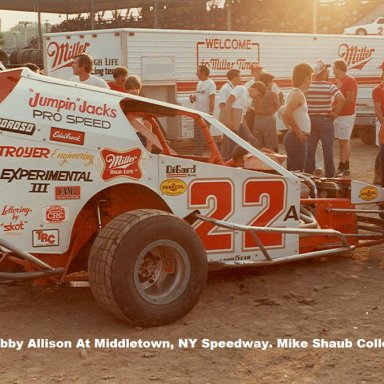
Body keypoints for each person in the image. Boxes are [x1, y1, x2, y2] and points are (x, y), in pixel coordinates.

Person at [305, 60, 345, 178]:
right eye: (326, 70)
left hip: (310, 120)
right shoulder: (330, 86)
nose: (328, 72)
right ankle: (330, 176)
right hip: (325, 120)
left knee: (310, 150)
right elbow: (342, 99)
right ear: (322, 73)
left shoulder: (308, 86)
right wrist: (336, 113)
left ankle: (307, 174)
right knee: (328, 150)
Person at [282, 63, 314, 172]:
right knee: (297, 172)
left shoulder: (296, 93)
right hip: (296, 138)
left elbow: (284, 114)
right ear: (305, 78)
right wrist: (298, 132)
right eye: (311, 78)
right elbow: (286, 113)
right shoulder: (297, 94)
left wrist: (291, 128)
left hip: (295, 137)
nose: (311, 81)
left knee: (295, 170)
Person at [222, 81, 266, 160]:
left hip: (240, 122)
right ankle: (229, 164)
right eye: (258, 94)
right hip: (233, 120)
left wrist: (249, 134)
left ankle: (242, 162)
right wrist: (229, 120)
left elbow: (243, 117)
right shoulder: (241, 89)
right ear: (256, 88)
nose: (256, 97)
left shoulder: (249, 99)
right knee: (232, 146)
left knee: (247, 143)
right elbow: (228, 103)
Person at [333, 59, 358, 177]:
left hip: (346, 115)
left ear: (339, 68)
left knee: (344, 141)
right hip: (340, 114)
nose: (333, 71)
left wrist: (337, 109)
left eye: (334, 68)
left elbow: (350, 99)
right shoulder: (339, 81)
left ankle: (343, 167)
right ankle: (344, 166)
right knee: (342, 141)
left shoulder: (350, 80)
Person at [189, 65, 216, 155]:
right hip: (197, 113)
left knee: (205, 136)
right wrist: (192, 98)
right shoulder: (199, 83)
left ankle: (214, 152)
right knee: (197, 135)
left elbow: (212, 99)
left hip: (205, 114)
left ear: (204, 72)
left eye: (198, 72)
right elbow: (197, 98)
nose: (196, 73)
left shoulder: (211, 83)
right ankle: (198, 153)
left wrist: (211, 113)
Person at [252, 72, 281, 152]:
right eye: (272, 82)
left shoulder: (256, 94)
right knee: (271, 145)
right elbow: (277, 106)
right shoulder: (272, 94)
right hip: (268, 120)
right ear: (268, 83)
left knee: (258, 146)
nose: (272, 84)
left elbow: (253, 105)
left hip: (257, 120)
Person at [125, 75, 152, 150]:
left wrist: (149, 146)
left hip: (139, 137)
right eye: (131, 88)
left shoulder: (143, 104)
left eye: (137, 88)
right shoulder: (121, 103)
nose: (134, 91)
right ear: (126, 90)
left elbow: (148, 126)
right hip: (125, 137)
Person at [372, 62, 384, 186]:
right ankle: (378, 174)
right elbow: (377, 108)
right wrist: (383, 122)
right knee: (382, 150)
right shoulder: (377, 89)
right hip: (382, 122)